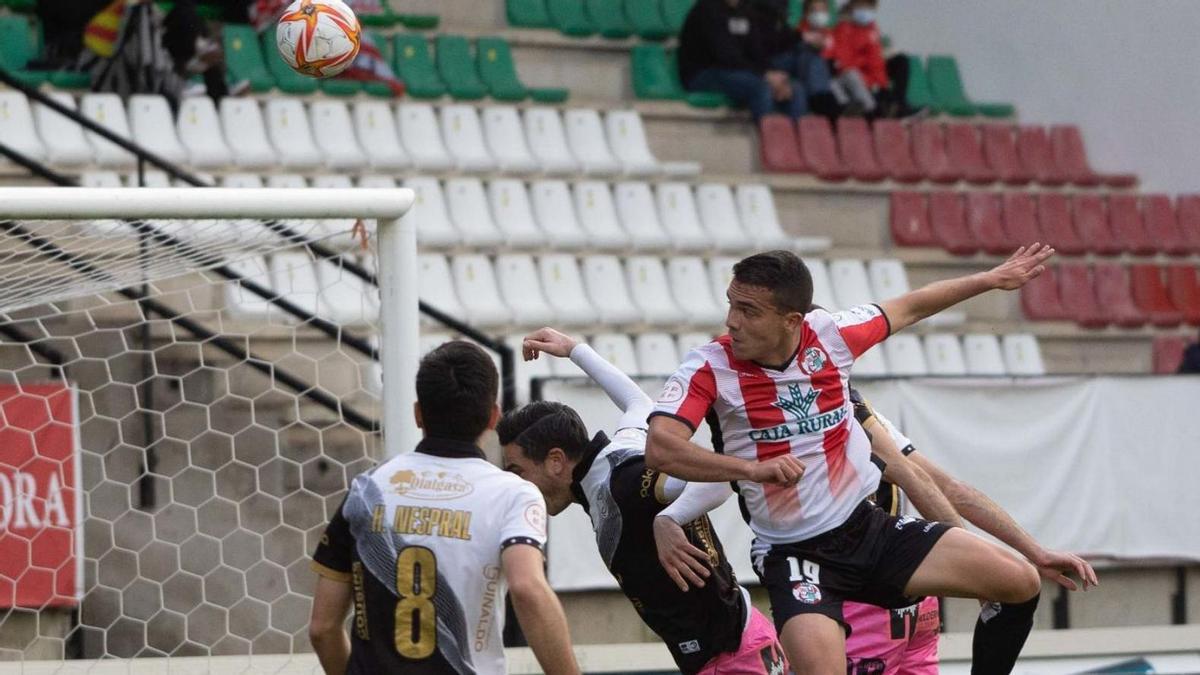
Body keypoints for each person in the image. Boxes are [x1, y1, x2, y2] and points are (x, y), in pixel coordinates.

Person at [645, 245, 1056, 674]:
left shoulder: (831, 335)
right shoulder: (709, 367)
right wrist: (749, 469)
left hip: (868, 530)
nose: (732, 321)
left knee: (1020, 582)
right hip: (795, 555)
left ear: (792, 321)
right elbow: (661, 447)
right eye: (731, 304)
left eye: (748, 310)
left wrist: (990, 279)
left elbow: (913, 305)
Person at [497, 327, 789, 675]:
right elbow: (640, 403)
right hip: (739, 644)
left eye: (518, 470)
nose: (514, 484)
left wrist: (668, 519)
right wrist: (575, 350)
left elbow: (727, 477)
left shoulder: (625, 482)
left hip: (732, 659)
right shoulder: (622, 448)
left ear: (556, 461)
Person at [307, 341, 580, 675]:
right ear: (493, 416)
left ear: (418, 412)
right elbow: (526, 588)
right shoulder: (512, 494)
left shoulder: (368, 489)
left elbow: (322, 628)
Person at [677, 0, 808, 121]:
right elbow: (726, 56)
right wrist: (765, 75)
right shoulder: (707, 9)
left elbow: (757, 52)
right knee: (761, 87)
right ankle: (770, 141)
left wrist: (773, 75)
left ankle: (796, 142)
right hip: (704, 73)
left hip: (738, 71)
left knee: (795, 89)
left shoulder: (745, 11)